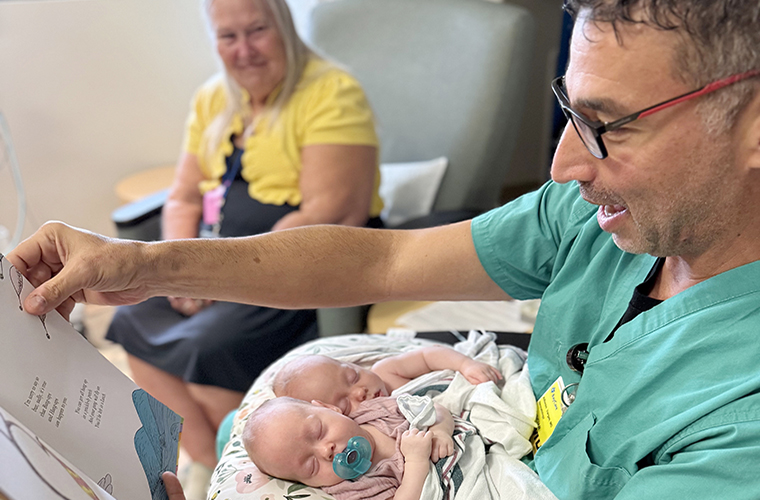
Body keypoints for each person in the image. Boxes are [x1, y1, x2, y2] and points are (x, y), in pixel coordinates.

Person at [8, 0, 760, 498]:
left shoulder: (738, 429)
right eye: (567, 110)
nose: (564, 165)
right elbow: (381, 261)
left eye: (611, 124)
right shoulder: (594, 217)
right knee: (247, 423)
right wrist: (144, 265)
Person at [103, 0, 384, 486]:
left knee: (209, 346)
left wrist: (219, 272)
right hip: (214, 263)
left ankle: (251, 468)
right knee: (133, 317)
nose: (244, 51)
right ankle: (208, 466)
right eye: (227, 37)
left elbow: (327, 215)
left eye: (256, 31)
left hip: (297, 262)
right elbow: (183, 197)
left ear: (285, 26)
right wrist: (173, 265)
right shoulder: (214, 97)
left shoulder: (332, 92)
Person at [242, 396, 452, 500]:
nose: (326, 451)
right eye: (311, 466)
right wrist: (416, 461)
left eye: (318, 431)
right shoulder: (353, 488)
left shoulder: (375, 411)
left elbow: (434, 409)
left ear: (329, 408)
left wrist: (440, 431)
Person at [272, 348, 502, 415]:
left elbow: (427, 356)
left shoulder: (386, 372)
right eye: (344, 405)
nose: (359, 393)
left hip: (473, 386)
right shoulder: (368, 427)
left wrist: (465, 365)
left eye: (353, 377)